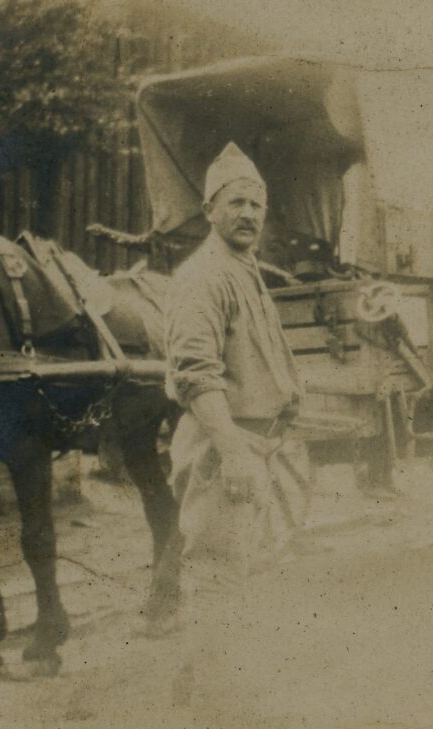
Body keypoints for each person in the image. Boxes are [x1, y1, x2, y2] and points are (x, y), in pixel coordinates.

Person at [163, 142, 303, 708]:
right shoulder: (204, 276)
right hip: (225, 449)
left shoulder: (243, 270)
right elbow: (196, 374)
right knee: (219, 576)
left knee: (239, 573)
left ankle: (204, 693)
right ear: (209, 210)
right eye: (236, 203)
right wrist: (237, 453)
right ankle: (216, 709)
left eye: (256, 204)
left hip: (253, 447)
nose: (248, 214)